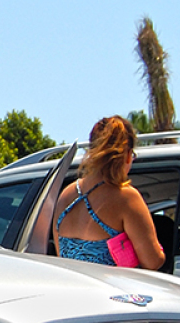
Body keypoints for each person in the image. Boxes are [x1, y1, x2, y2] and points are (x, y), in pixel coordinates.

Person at [52, 115, 165, 269]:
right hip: (109, 291)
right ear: (127, 155)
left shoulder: (67, 194)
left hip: (75, 290)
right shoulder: (126, 197)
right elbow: (153, 261)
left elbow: (62, 257)